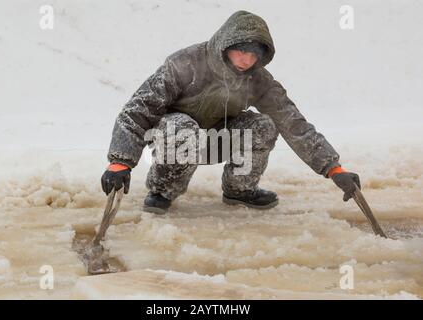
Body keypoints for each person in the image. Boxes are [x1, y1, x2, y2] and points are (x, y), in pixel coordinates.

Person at [101, 10, 360, 214]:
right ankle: (163, 191)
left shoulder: (258, 80)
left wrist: (333, 168)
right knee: (182, 126)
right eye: (242, 51)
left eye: (254, 55)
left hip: (216, 140)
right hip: (174, 141)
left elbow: (293, 123)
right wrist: (119, 162)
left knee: (265, 125)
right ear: (226, 44)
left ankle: (239, 189)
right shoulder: (185, 64)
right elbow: (137, 111)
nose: (247, 60)